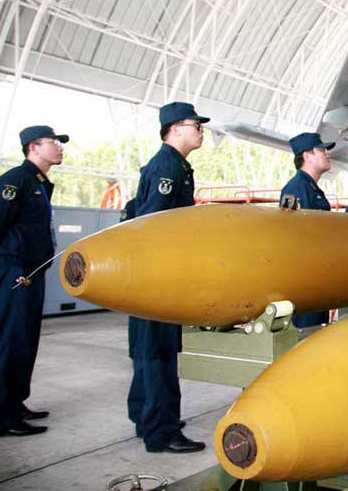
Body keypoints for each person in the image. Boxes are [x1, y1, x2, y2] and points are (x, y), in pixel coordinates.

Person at [128, 102, 207, 454]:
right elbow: (151, 225)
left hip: (154, 273)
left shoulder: (175, 166)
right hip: (158, 275)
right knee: (158, 351)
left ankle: (147, 418)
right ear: (175, 129)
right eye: (197, 126)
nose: (202, 131)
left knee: (150, 350)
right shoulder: (167, 167)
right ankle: (162, 431)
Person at [0, 125, 67, 437]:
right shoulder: (15, 179)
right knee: (11, 341)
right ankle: (1, 418)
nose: (59, 148)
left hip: (31, 271)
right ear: (33, 147)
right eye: (53, 143)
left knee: (25, 342)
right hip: (15, 268)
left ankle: (15, 403)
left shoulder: (37, 182)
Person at [281, 132, 336, 327]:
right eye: (321, 150)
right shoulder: (297, 188)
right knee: (307, 332)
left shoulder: (310, 187)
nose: (327, 154)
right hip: (306, 278)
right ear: (307, 156)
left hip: (317, 273)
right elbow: (297, 236)